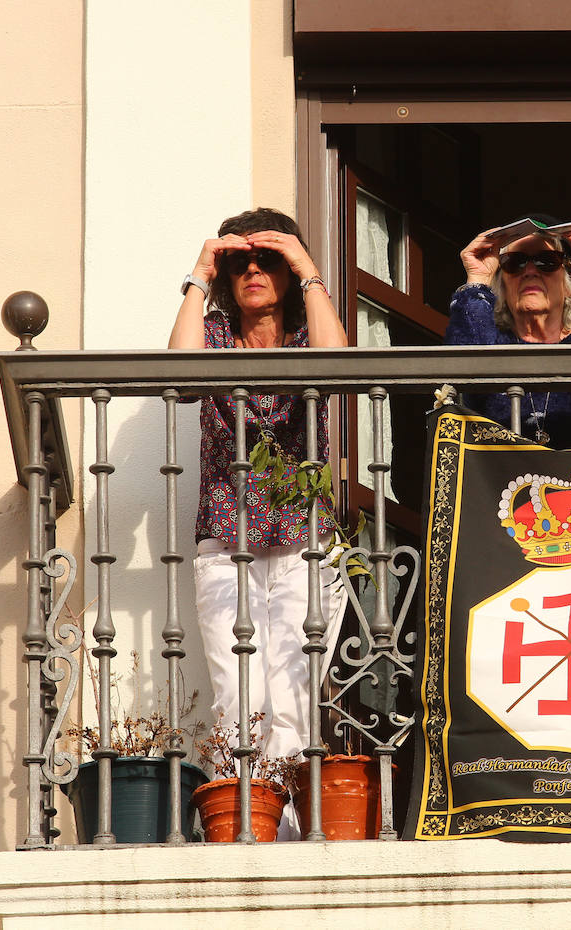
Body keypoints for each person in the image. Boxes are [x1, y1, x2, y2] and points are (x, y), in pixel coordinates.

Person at [169, 207, 349, 840]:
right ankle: (243, 827)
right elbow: (180, 373)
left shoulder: (305, 339)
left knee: (296, 698)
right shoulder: (216, 336)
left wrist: (305, 266)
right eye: (239, 261)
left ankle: (296, 835)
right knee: (237, 696)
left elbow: (338, 366)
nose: (252, 269)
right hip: (228, 542)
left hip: (306, 542)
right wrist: (198, 271)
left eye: (265, 259)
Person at [445, 214, 571, 448]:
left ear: (568, 282)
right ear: (501, 284)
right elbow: (463, 366)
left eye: (547, 261)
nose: (530, 271)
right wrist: (478, 278)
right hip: (504, 480)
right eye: (515, 262)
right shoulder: (492, 344)